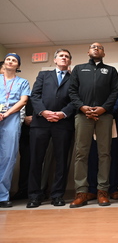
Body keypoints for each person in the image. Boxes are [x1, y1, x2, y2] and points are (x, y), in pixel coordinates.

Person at [69, 42, 118, 207]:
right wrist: (83, 107)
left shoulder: (110, 71)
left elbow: (114, 93)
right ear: (88, 52)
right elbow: (72, 91)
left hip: (104, 116)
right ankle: (81, 192)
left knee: (104, 154)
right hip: (83, 116)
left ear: (103, 54)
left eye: (100, 47)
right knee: (81, 154)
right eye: (93, 47)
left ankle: (103, 191)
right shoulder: (78, 69)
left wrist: (103, 109)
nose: (96, 48)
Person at [26, 49, 75, 208]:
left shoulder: (74, 78)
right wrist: (44, 112)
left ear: (69, 62)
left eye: (67, 57)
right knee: (36, 160)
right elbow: (35, 95)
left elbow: (75, 99)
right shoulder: (44, 75)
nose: (64, 58)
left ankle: (57, 195)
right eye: (61, 56)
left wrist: (62, 114)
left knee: (61, 161)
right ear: (55, 60)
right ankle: (34, 195)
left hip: (62, 123)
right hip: (41, 122)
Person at [0, 53, 30, 208]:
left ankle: (3, 196)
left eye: (14, 60)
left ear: (18, 66)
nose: (10, 62)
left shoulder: (22, 82)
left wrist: (6, 113)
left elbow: (23, 100)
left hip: (11, 119)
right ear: (4, 63)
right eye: (8, 59)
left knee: (8, 157)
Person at [87, 94, 118, 201]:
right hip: (92, 122)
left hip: (111, 123)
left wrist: (103, 111)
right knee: (93, 158)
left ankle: (113, 189)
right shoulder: (91, 86)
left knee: (113, 157)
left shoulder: (115, 87)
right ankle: (93, 189)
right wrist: (93, 112)